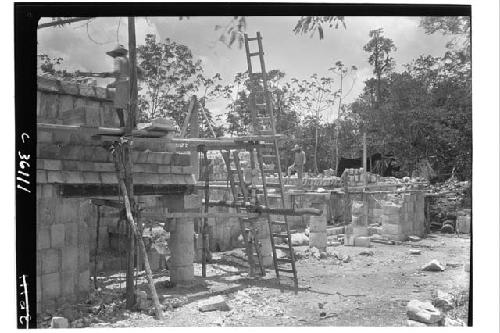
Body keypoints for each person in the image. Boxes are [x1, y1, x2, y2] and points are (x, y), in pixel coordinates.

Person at [106, 44, 130, 127]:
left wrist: (107, 74)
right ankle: (131, 123)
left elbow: (117, 72)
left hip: (122, 84)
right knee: (128, 104)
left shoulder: (117, 59)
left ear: (116, 53)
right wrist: (113, 83)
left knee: (118, 105)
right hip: (130, 84)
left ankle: (122, 123)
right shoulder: (127, 60)